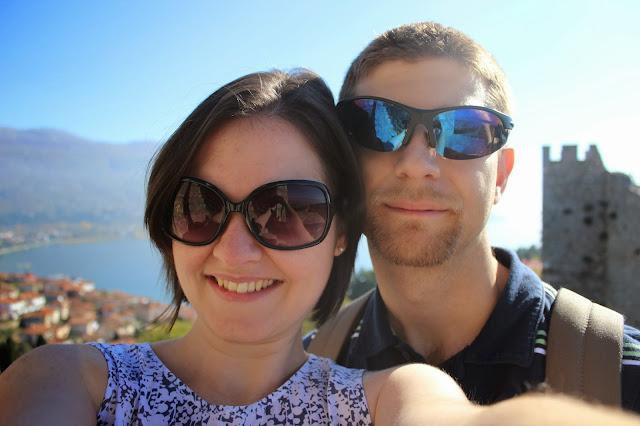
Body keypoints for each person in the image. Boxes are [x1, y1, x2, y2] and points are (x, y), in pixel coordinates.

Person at [1, 69, 639, 426]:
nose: (235, 251)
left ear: (340, 233)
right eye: (202, 206)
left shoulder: (391, 398)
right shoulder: (66, 380)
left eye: (286, 210)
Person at [305, 21, 640, 411]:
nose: (416, 164)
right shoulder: (301, 374)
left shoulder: (623, 376)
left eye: (463, 130)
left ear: (501, 175)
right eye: (377, 125)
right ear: (343, 162)